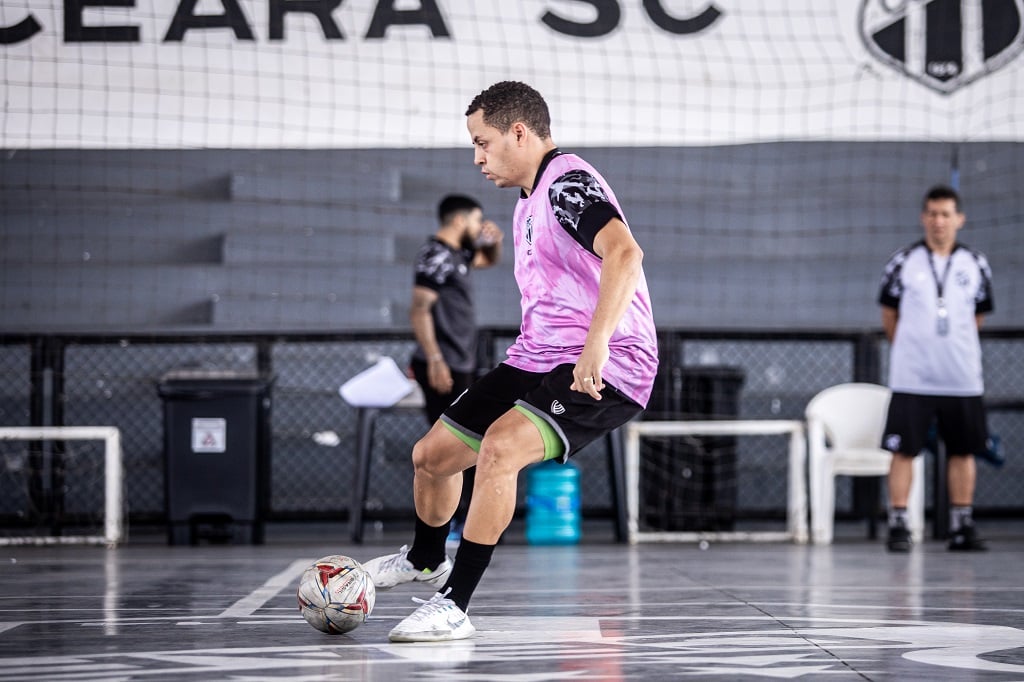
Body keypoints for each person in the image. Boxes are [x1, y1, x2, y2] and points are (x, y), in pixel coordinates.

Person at [362, 80, 659, 642]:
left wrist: (596, 344)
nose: (477, 158)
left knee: (500, 449)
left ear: (518, 133)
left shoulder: (567, 184)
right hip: (537, 357)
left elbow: (626, 253)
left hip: (610, 363)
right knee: (432, 456)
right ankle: (426, 560)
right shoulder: (529, 197)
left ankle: (454, 606)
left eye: (483, 143)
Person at [878, 184, 994, 553]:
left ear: (959, 219)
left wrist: (951, 348)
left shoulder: (975, 264)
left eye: (945, 214)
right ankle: (899, 523)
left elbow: (977, 317)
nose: (938, 221)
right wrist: (913, 349)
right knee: (903, 450)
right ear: (923, 218)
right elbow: (889, 314)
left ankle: (962, 524)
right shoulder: (903, 262)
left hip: (961, 378)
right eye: (932, 213)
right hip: (912, 378)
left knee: (964, 449)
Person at [409, 194, 503, 542]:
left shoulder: (457, 255)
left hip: (461, 363)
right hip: (442, 365)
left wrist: (495, 243)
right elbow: (419, 309)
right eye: (477, 221)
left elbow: (486, 259)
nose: (479, 227)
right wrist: (435, 359)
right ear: (460, 221)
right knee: (449, 448)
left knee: (468, 443)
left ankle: (463, 522)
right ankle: (447, 526)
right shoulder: (434, 255)